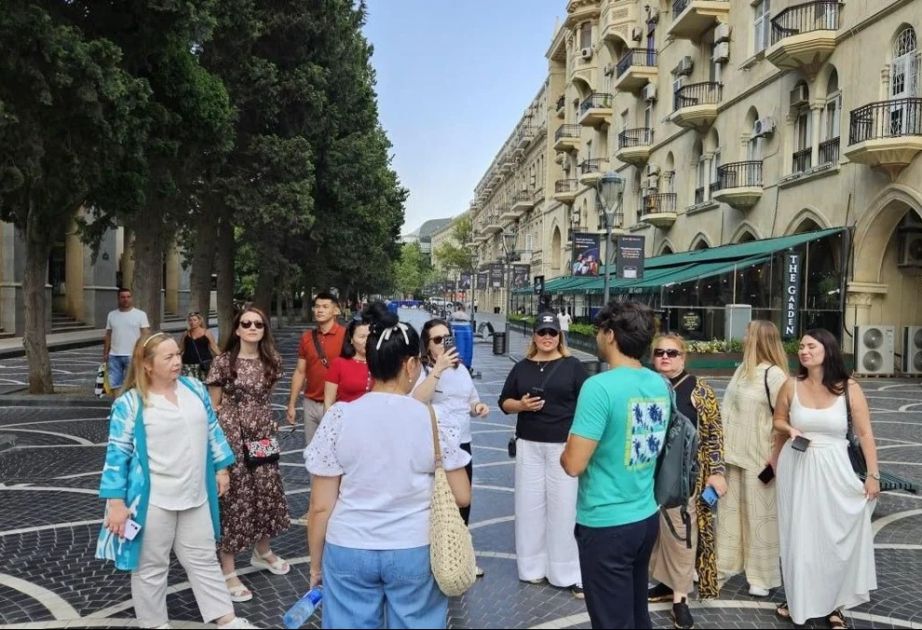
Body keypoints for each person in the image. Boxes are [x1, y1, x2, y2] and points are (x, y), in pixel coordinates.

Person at [305, 304, 471, 629]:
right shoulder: (432, 419)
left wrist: (315, 566)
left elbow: (320, 506)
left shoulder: (339, 416)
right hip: (414, 547)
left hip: (349, 545)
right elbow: (462, 495)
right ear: (411, 365)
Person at [96, 332, 256, 629]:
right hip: (153, 500)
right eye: (168, 357)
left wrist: (222, 469)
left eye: (178, 355)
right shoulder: (130, 403)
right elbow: (117, 454)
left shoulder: (194, 388)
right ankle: (155, 624)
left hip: (195, 495)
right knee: (150, 566)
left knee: (204, 559)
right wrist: (116, 503)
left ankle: (227, 620)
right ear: (147, 365)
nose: (177, 361)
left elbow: (212, 430)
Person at [560, 300, 670, 629]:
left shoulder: (599, 387)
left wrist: (566, 449)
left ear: (610, 335)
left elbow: (573, 464)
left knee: (611, 620)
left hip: (606, 522)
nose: (597, 336)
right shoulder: (659, 383)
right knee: (636, 615)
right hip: (645, 515)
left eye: (599, 330)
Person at [772, 329, 878, 629]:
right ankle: (798, 598)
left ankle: (835, 604)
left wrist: (873, 475)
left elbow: (865, 433)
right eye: (801, 347)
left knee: (834, 537)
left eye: (811, 346)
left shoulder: (849, 387)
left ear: (827, 350)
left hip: (835, 469)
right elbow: (777, 420)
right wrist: (789, 430)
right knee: (799, 537)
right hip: (797, 467)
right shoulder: (791, 384)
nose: (804, 351)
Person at [499, 312, 588, 598]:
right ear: (534, 335)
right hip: (529, 444)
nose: (547, 337)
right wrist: (521, 406)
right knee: (528, 506)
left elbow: (587, 404)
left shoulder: (573, 366)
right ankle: (531, 567)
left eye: (552, 332)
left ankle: (565, 571)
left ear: (559, 336)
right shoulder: (522, 367)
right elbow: (504, 402)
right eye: (542, 332)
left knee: (564, 508)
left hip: (563, 445)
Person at [206, 307, 290, 603]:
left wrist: (266, 423)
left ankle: (262, 551)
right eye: (246, 323)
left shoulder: (272, 360)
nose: (253, 327)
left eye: (258, 324)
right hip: (232, 437)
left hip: (263, 436)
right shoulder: (223, 362)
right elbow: (213, 407)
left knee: (266, 491)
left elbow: (266, 397)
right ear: (237, 329)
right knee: (235, 499)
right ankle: (227, 569)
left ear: (264, 329)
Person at [646, 333, 727, 629]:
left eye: (672, 353)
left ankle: (680, 598)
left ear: (683, 357)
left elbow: (714, 434)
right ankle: (666, 584)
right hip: (646, 475)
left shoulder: (698, 389)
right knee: (657, 533)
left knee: (682, 536)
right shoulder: (647, 385)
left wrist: (716, 472)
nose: (665, 357)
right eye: (660, 352)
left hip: (684, 478)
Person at [716, 320, 789, 596]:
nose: (744, 338)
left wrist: (775, 459)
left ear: (759, 339)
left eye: (748, 334)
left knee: (761, 518)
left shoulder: (775, 375)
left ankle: (762, 577)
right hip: (732, 454)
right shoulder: (742, 370)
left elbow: (784, 420)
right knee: (728, 516)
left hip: (760, 458)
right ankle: (724, 566)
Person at [414, 319, 489, 542]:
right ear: (427, 345)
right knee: (436, 503)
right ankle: (435, 548)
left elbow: (471, 400)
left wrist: (478, 407)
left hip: (462, 444)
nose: (443, 343)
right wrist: (438, 369)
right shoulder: (422, 370)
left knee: (463, 502)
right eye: (437, 340)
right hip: (436, 446)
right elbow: (417, 400)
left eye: (447, 338)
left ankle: (459, 550)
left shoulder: (461, 370)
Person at [287, 293, 346, 454]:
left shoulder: (346, 336)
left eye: (325, 307)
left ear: (336, 311)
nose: (319, 310)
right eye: (317, 306)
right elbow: (300, 371)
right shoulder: (307, 337)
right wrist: (292, 404)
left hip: (338, 403)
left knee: (337, 453)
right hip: (310, 403)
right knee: (312, 453)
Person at [103, 288, 151, 391]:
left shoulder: (140, 314)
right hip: (114, 355)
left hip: (133, 355)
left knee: (133, 383)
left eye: (128, 297)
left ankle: (132, 400)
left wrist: (144, 351)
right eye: (123, 297)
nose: (126, 299)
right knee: (115, 385)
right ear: (118, 298)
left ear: (132, 298)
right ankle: (117, 401)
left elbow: (145, 334)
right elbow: (108, 335)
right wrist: (105, 353)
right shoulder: (111, 315)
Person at [323, 317, 373, 411]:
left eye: (370, 336)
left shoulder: (380, 363)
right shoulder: (338, 364)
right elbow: (328, 402)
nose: (367, 341)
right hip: (346, 417)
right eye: (362, 337)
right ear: (351, 339)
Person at [180, 311, 220, 380]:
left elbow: (214, 347)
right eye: (190, 320)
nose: (192, 322)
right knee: (190, 384)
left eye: (194, 320)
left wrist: (223, 357)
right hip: (188, 364)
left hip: (204, 364)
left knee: (204, 383)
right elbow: (181, 348)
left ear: (200, 321)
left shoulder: (207, 333)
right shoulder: (186, 334)